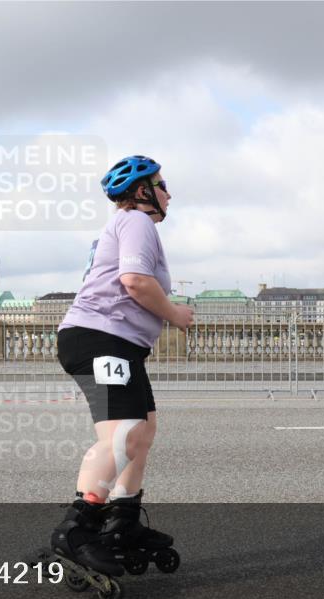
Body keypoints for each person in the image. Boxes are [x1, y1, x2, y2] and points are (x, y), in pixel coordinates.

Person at [50, 155, 194, 576]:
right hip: (101, 338)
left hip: (118, 343)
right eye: (163, 184)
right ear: (142, 192)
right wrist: (174, 314)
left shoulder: (129, 226)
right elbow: (135, 281)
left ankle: (122, 523)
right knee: (124, 434)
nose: (169, 192)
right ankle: (76, 530)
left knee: (142, 432)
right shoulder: (136, 222)